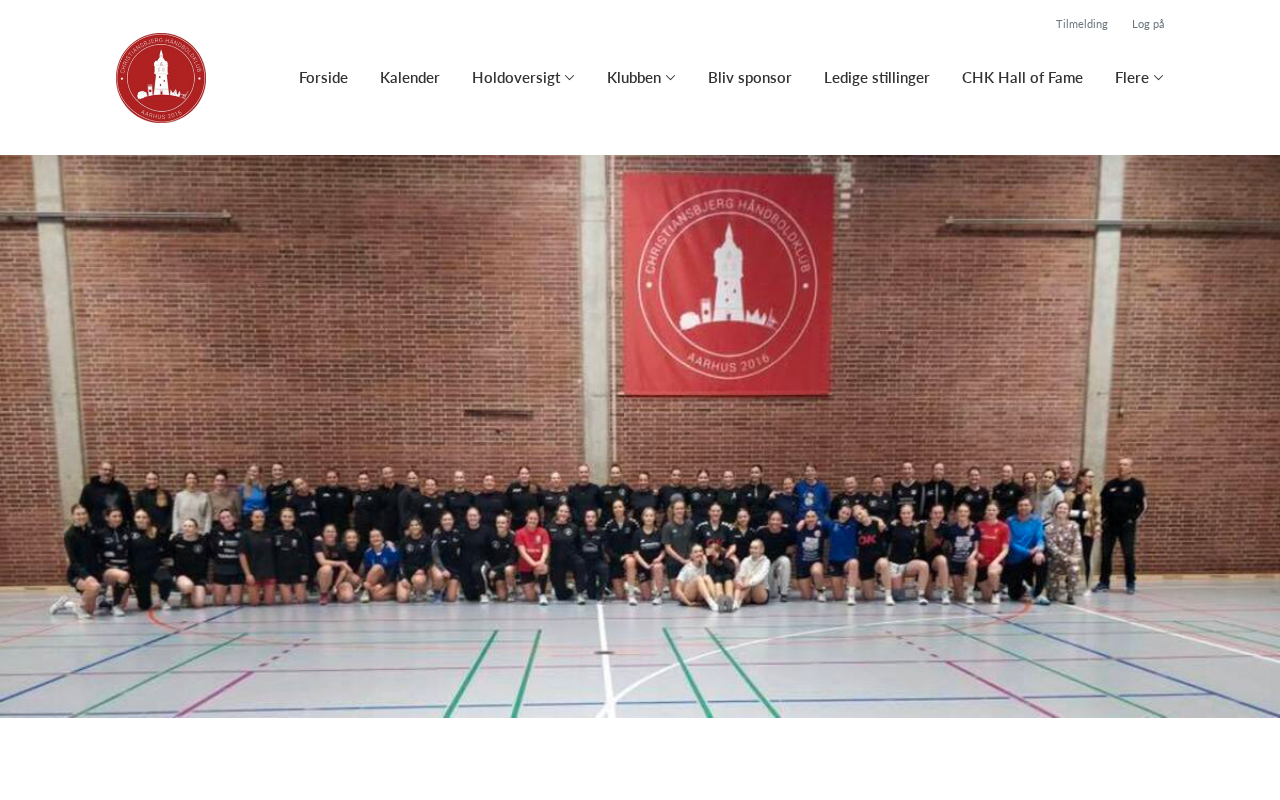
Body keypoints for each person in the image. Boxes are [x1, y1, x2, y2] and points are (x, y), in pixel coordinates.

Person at [1097, 457, 1147, 595]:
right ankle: (1104, 582)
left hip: (1127, 526)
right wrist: (1103, 519)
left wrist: (1132, 519)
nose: (1121, 467)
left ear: (1131, 468)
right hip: (1110, 526)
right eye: (1119, 464)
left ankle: (1130, 582)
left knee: (1128, 554)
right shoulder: (1110, 485)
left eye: (1125, 465)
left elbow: (1143, 506)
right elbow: (1101, 504)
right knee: (1106, 554)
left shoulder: (1136, 485)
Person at [52, 504, 99, 618]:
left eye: (84, 513)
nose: (81, 516)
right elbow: (73, 561)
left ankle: (65, 603)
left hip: (91, 572)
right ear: (73, 516)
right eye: (78, 514)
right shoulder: (70, 535)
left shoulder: (91, 531)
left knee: (90, 611)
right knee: (94, 586)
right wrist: (87, 576)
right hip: (76, 574)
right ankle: (78, 607)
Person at [126, 509, 172, 612]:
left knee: (166, 579)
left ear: (149, 519)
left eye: (144, 517)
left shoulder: (155, 531)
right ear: (134, 519)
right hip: (139, 571)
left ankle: (163, 599)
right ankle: (144, 600)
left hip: (155, 567)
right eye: (138, 517)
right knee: (144, 605)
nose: (141, 519)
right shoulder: (129, 533)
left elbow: (165, 549)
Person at [1006, 497, 1049, 604]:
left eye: (1026, 505)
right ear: (1017, 507)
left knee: (1041, 559)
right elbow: (1010, 543)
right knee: (1014, 595)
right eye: (1021, 505)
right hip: (1015, 560)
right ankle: (1025, 587)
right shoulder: (1010, 521)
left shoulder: (1037, 520)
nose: (1023, 507)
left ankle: (1039, 593)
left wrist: (1039, 550)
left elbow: (1040, 538)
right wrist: (1027, 551)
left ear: (1031, 507)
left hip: (1031, 558)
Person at [886, 504, 931, 605]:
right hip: (895, 564)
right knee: (898, 597)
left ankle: (920, 595)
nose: (906, 515)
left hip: (908, 564)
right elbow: (885, 540)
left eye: (908, 513)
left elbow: (921, 547)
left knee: (924, 565)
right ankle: (904, 587)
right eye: (904, 513)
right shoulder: (894, 526)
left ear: (913, 514)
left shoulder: (917, 528)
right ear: (900, 514)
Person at [1066, 468, 1102, 593]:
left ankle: (1088, 586)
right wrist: (1079, 514)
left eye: (1093, 477)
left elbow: (1098, 512)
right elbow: (1064, 510)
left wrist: (1098, 527)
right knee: (1071, 557)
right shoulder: (1069, 493)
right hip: (1071, 529)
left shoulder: (1094, 494)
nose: (1091, 479)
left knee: (1087, 557)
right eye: (1089, 476)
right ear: (1081, 477)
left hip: (1087, 529)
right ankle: (1070, 583)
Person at [94, 506, 133, 615]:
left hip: (124, 569)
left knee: (123, 604)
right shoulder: (100, 534)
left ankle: (103, 602)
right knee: (123, 576)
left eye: (119, 516)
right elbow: (95, 554)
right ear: (107, 518)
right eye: (114, 516)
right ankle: (115, 606)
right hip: (108, 570)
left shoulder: (126, 532)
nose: (118, 519)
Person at [1044, 500, 1083, 604]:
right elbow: (1051, 546)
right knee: (1051, 597)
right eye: (1060, 508)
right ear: (1055, 511)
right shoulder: (1048, 527)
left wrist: (1075, 557)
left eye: (1065, 508)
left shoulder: (1074, 526)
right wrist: (1066, 557)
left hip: (1070, 560)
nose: (1062, 510)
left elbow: (1077, 543)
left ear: (1068, 511)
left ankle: (1070, 595)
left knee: (1075, 568)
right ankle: (1052, 591)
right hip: (1054, 560)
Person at [547, 504, 586, 603]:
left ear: (569, 514)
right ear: (557, 512)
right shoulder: (549, 527)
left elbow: (579, 545)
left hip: (571, 558)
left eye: (566, 511)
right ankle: (570, 591)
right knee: (561, 596)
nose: (563, 513)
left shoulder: (574, 527)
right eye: (561, 511)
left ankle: (580, 593)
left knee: (580, 563)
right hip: (557, 561)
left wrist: (578, 556)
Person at [852, 505, 892, 603]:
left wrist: (879, 520)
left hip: (878, 559)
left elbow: (888, 538)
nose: (859, 516)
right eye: (856, 516)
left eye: (860, 513)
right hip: (865, 563)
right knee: (869, 597)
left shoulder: (878, 524)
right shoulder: (856, 527)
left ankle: (888, 595)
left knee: (884, 563)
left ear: (865, 511)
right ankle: (867, 586)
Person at [944, 503, 981, 605]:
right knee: (959, 597)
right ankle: (955, 591)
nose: (963, 513)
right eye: (960, 511)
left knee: (973, 564)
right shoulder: (951, 529)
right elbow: (946, 547)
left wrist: (971, 556)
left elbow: (976, 548)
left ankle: (970, 593)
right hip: (956, 561)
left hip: (969, 559)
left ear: (969, 513)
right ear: (957, 513)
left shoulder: (974, 527)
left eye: (965, 511)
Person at [208, 509, 246, 606]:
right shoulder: (215, 531)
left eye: (228, 516)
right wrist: (210, 579)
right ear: (220, 520)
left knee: (236, 602)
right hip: (220, 569)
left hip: (237, 570)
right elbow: (211, 554)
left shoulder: (242, 531)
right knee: (218, 603)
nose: (226, 519)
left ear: (233, 518)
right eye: (223, 518)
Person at [80, 460, 133, 528]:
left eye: (110, 470)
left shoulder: (121, 488)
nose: (107, 472)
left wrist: (131, 526)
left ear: (113, 473)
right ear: (99, 471)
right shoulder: (89, 489)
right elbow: (83, 509)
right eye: (105, 469)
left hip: (119, 528)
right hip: (97, 528)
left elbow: (129, 509)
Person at [170, 518, 210, 609]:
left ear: (196, 529)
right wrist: (172, 575)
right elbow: (168, 558)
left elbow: (209, 560)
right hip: (182, 576)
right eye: (185, 526)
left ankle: (193, 594)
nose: (187, 528)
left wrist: (209, 580)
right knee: (188, 586)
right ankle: (185, 594)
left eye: (190, 526)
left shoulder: (203, 541)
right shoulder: (176, 540)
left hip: (198, 577)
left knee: (199, 604)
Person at [975, 502, 1009, 605]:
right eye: (989, 510)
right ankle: (997, 585)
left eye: (994, 510)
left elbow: (1005, 549)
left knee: (993, 572)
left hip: (995, 562)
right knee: (986, 597)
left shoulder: (1003, 527)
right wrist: (977, 553)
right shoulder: (979, 525)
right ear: (985, 511)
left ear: (998, 512)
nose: (991, 512)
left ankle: (996, 592)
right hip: (981, 563)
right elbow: (974, 543)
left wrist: (996, 561)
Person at [660, 499, 696, 599]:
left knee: (689, 594)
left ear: (685, 510)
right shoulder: (667, 526)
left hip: (688, 562)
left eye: (681, 508)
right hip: (673, 563)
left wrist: (690, 558)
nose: (680, 511)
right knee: (676, 596)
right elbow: (667, 548)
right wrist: (681, 560)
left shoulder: (690, 524)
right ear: (673, 510)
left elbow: (693, 544)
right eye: (677, 509)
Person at [604, 499, 639, 600]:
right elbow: (606, 547)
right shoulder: (609, 525)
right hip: (616, 560)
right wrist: (619, 557)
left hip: (630, 557)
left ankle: (631, 593)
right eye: (615, 507)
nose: (618, 509)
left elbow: (638, 541)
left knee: (630, 562)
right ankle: (627, 585)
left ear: (624, 508)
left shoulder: (633, 523)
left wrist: (631, 554)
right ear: (612, 510)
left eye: (620, 506)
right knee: (619, 596)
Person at [515, 509, 551, 605]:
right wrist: (533, 563)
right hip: (526, 567)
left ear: (538, 520)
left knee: (543, 568)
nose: (533, 521)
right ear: (526, 518)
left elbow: (546, 549)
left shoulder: (543, 531)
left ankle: (542, 594)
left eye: (535, 519)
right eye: (531, 518)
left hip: (539, 564)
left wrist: (541, 561)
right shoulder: (519, 533)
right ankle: (533, 589)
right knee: (531, 598)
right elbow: (522, 552)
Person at [273, 507, 309, 604]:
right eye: (284, 516)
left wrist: (304, 572)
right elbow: (273, 554)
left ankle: (298, 592)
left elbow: (305, 553)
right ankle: (285, 594)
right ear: (281, 518)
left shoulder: (299, 533)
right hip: (282, 571)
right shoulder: (275, 533)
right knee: (287, 601)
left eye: (289, 517)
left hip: (297, 570)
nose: (287, 519)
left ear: (294, 518)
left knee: (301, 600)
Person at [756, 510, 794, 601]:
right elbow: (757, 550)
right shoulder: (761, 532)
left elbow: (791, 549)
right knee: (772, 595)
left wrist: (778, 569)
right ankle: (774, 586)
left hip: (779, 560)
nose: (775, 522)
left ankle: (784, 593)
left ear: (782, 521)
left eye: (778, 520)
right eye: (773, 519)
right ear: (769, 521)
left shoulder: (787, 532)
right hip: (766, 562)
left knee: (785, 561)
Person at [826, 504, 860, 605]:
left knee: (854, 563)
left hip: (848, 561)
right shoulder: (830, 524)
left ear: (850, 516)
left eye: (847, 514)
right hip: (834, 562)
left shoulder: (854, 525)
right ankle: (845, 582)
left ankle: (851, 595)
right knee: (838, 597)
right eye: (843, 512)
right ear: (838, 512)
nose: (844, 515)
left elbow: (868, 518)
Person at [314, 525, 357, 604]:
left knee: (348, 598)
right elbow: (322, 561)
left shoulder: (341, 546)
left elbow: (344, 569)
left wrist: (335, 586)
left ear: (336, 534)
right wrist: (341, 563)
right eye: (328, 532)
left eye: (332, 532)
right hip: (324, 578)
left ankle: (335, 593)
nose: (330, 534)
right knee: (327, 568)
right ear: (323, 534)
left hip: (339, 579)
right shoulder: (318, 544)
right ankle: (324, 594)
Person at [242, 509, 277, 606]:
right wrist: (248, 574)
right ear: (251, 518)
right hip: (254, 573)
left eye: (262, 517)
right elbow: (242, 555)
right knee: (254, 603)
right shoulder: (245, 535)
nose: (260, 519)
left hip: (269, 572)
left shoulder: (270, 533)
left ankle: (263, 593)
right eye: (257, 517)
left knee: (270, 603)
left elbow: (275, 553)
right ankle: (257, 593)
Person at [460, 507, 495, 602]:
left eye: (475, 515)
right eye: (470, 516)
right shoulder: (461, 529)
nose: (472, 518)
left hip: (482, 561)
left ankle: (484, 593)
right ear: (466, 517)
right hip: (466, 563)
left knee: (476, 570)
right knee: (471, 597)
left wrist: (491, 564)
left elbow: (492, 550)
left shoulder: (487, 531)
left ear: (479, 517)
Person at [632, 506, 666, 605]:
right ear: (643, 517)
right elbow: (636, 553)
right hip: (643, 566)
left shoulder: (659, 532)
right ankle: (648, 586)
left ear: (654, 517)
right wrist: (646, 566)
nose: (649, 518)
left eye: (651, 516)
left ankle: (658, 595)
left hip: (656, 564)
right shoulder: (637, 533)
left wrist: (659, 559)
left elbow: (664, 550)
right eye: (646, 516)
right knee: (646, 597)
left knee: (658, 567)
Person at [793, 509, 828, 601]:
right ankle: (811, 584)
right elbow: (787, 528)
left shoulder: (822, 528)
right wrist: (797, 526)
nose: (810, 519)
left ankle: (820, 591)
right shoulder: (799, 528)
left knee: (816, 571)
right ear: (804, 518)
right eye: (808, 517)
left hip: (815, 561)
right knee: (806, 597)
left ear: (817, 518)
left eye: (813, 516)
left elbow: (832, 526)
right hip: (802, 564)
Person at [919, 504, 951, 602]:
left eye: (940, 513)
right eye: (935, 513)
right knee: (928, 596)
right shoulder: (922, 526)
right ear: (930, 514)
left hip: (936, 562)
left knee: (942, 560)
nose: (938, 515)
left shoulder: (946, 528)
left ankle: (945, 593)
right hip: (924, 563)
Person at [430, 512, 465, 603]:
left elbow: (462, 552)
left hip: (453, 566)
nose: (447, 522)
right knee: (439, 576)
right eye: (445, 520)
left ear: (453, 521)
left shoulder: (457, 534)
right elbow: (435, 555)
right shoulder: (437, 534)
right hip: (439, 565)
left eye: (449, 519)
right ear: (441, 521)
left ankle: (446, 590)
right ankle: (437, 593)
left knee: (451, 599)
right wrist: (443, 569)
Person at [397, 518, 433, 603]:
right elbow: (400, 561)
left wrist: (423, 569)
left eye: (416, 525)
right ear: (409, 528)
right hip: (406, 573)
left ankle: (419, 591)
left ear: (421, 527)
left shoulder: (427, 540)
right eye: (412, 525)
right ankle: (411, 590)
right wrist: (403, 577)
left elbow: (430, 559)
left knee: (418, 580)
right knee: (402, 599)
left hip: (419, 573)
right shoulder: (404, 541)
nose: (414, 527)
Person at [673, 544, 718, 612]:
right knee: (698, 579)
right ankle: (711, 603)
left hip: (699, 596)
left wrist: (706, 565)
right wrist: (688, 603)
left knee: (707, 577)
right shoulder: (687, 568)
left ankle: (715, 600)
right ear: (691, 555)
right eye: (696, 552)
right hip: (688, 596)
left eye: (700, 551)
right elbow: (677, 590)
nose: (699, 553)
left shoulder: (704, 565)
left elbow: (710, 581)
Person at [579, 509, 610, 603]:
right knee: (591, 596)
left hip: (597, 561)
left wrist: (606, 558)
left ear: (596, 519)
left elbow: (605, 549)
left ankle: (601, 591)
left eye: (593, 517)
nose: (590, 519)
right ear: (585, 519)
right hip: (585, 563)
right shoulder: (580, 531)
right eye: (588, 517)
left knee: (604, 568)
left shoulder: (601, 532)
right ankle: (590, 588)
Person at [485, 514, 518, 602]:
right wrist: (491, 570)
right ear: (495, 524)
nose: (500, 525)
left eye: (503, 523)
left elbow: (512, 559)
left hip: (509, 567)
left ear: (507, 524)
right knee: (502, 597)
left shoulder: (512, 537)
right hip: (497, 569)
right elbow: (488, 555)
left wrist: (495, 569)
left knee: (508, 569)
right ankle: (497, 589)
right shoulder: (491, 537)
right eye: (498, 523)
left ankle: (512, 592)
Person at [361, 529, 399, 602]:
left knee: (377, 567)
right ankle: (368, 591)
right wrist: (365, 582)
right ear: (370, 539)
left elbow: (394, 572)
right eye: (372, 537)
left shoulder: (391, 550)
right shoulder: (367, 553)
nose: (375, 538)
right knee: (377, 597)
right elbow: (367, 571)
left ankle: (396, 593)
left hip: (390, 581)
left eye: (378, 536)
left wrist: (382, 584)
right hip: (376, 582)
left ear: (382, 538)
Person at [733, 539, 771, 609]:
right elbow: (740, 574)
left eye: (755, 548)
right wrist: (739, 581)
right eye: (751, 548)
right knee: (740, 580)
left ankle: (739, 601)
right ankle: (735, 602)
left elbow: (760, 577)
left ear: (762, 550)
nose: (752, 550)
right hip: (747, 593)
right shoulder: (745, 560)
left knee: (750, 580)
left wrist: (747, 583)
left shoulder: (766, 561)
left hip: (759, 594)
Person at [134, 472, 173, 536]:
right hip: (146, 530)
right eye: (149, 479)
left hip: (163, 531)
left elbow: (170, 513)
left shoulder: (166, 494)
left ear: (158, 481)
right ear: (146, 480)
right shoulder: (140, 495)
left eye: (154, 479)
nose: (152, 481)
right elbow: (138, 513)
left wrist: (166, 528)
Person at [373, 466, 403, 544]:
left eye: (390, 472)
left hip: (399, 528)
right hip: (384, 529)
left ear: (393, 474)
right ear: (382, 476)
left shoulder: (402, 490)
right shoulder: (378, 492)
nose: (388, 475)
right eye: (386, 473)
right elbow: (376, 512)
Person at [704, 538, 736, 608]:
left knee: (727, 577)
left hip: (727, 579)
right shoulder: (708, 561)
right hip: (716, 582)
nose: (712, 552)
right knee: (717, 579)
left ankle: (729, 599)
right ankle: (720, 599)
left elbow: (731, 570)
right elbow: (710, 574)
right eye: (710, 549)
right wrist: (713, 561)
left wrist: (721, 562)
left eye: (714, 550)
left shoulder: (725, 558)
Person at [351, 472, 379, 540]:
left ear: (369, 481)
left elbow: (379, 512)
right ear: (358, 481)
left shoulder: (375, 494)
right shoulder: (354, 494)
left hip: (372, 530)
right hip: (358, 529)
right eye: (361, 479)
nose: (363, 481)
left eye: (365, 479)